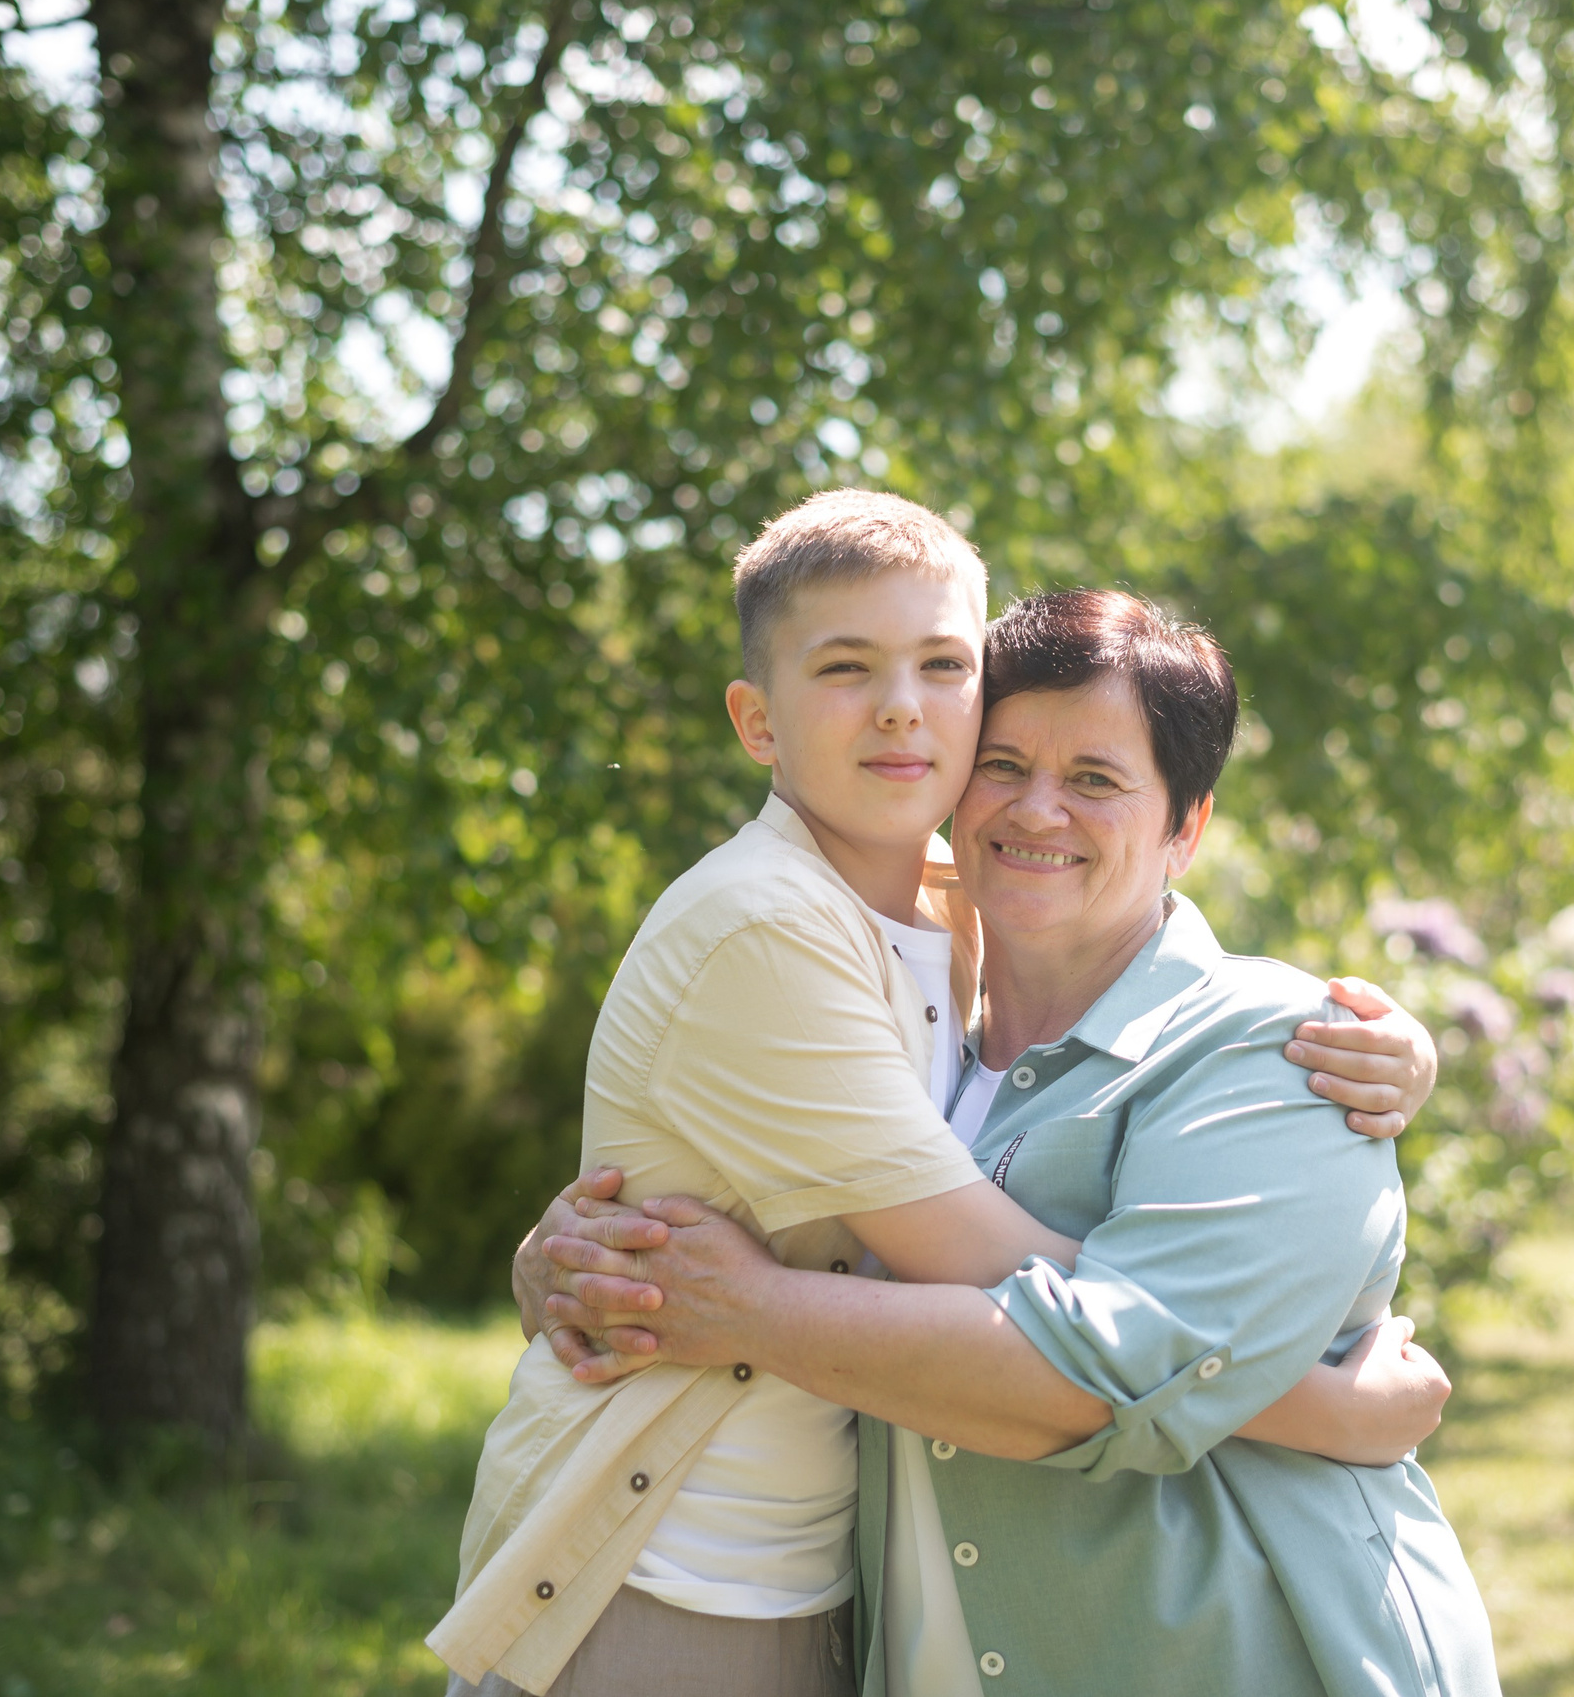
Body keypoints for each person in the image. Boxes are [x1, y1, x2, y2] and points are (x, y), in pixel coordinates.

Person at [428, 494, 1450, 1697]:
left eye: (1094, 778)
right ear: (757, 720)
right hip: (690, 1579)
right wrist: (1318, 1400)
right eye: (1006, 764)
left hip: (882, 1607)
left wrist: (1408, 1048)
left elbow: (1091, 1336)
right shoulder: (806, 930)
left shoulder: (989, 933)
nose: (1032, 807)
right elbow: (1032, 1304)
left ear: (1188, 824)